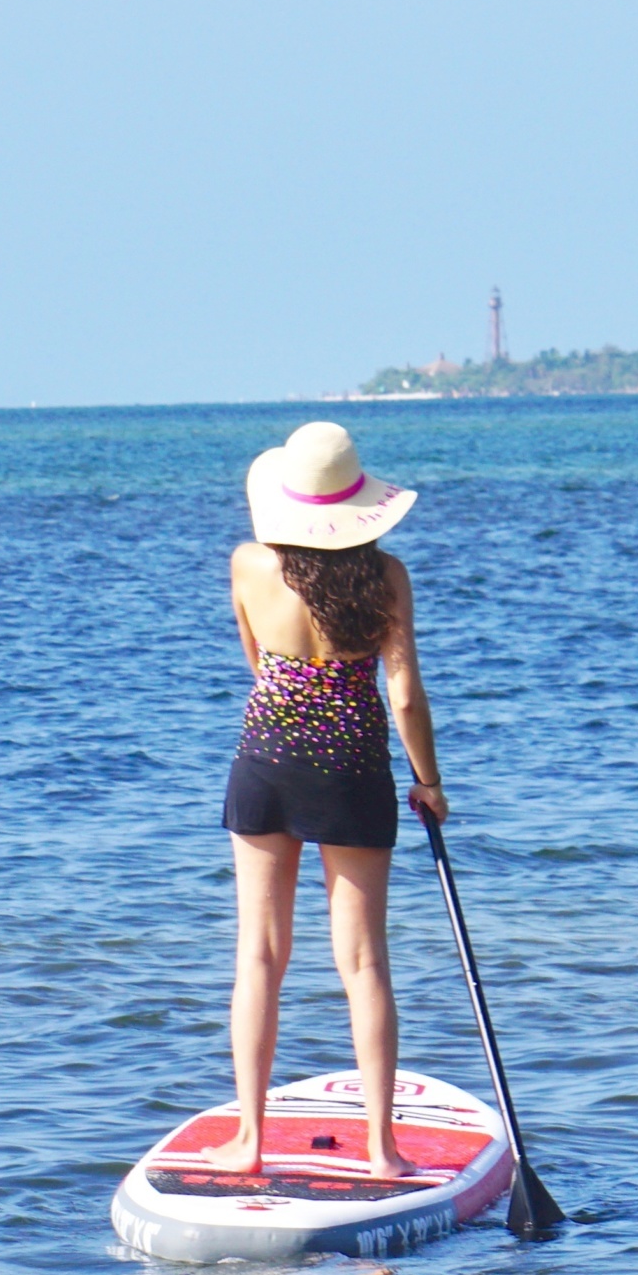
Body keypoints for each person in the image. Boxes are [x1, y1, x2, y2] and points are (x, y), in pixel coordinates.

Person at [201, 421, 447, 1177]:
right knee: (364, 963)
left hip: (265, 761)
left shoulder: (248, 565)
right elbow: (401, 694)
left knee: (260, 955)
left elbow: (257, 664)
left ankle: (249, 1140)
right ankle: (381, 1150)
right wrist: (429, 782)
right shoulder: (386, 578)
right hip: (351, 770)